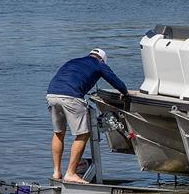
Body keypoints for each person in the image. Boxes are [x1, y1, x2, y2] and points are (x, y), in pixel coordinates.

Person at [46, 48, 129, 183]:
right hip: (71, 97)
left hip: (52, 94)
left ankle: (56, 173)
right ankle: (71, 173)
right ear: (102, 59)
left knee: (58, 133)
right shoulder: (99, 64)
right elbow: (117, 83)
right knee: (83, 134)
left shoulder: (74, 61)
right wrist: (125, 93)